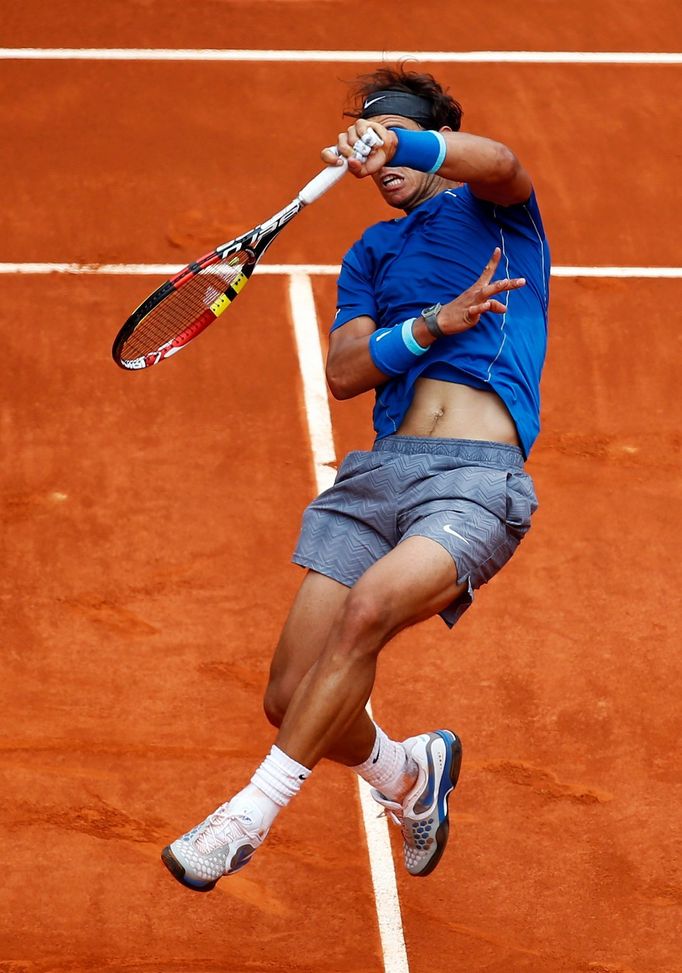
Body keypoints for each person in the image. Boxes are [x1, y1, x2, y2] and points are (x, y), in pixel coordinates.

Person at [161, 66, 550, 890]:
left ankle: (245, 817)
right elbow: (344, 370)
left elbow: (503, 157)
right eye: (373, 145)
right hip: (378, 476)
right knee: (290, 692)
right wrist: (432, 324)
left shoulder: (498, 213)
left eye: (397, 138)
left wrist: (399, 138)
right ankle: (408, 774)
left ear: (425, 138)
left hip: (475, 481)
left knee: (369, 608)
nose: (384, 164)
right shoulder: (370, 251)